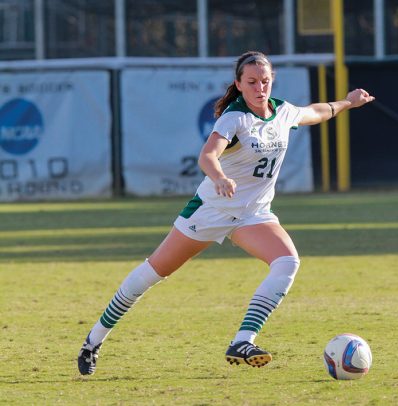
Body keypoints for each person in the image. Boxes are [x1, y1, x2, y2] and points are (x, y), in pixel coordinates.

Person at [77, 50, 375, 375]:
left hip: (253, 215)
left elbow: (316, 112)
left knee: (287, 262)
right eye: (251, 82)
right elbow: (208, 155)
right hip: (210, 211)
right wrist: (219, 177)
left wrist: (347, 102)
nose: (259, 87)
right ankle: (94, 339)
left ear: (271, 80)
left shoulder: (282, 111)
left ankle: (242, 341)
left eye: (264, 81)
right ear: (239, 83)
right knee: (151, 274)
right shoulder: (234, 118)